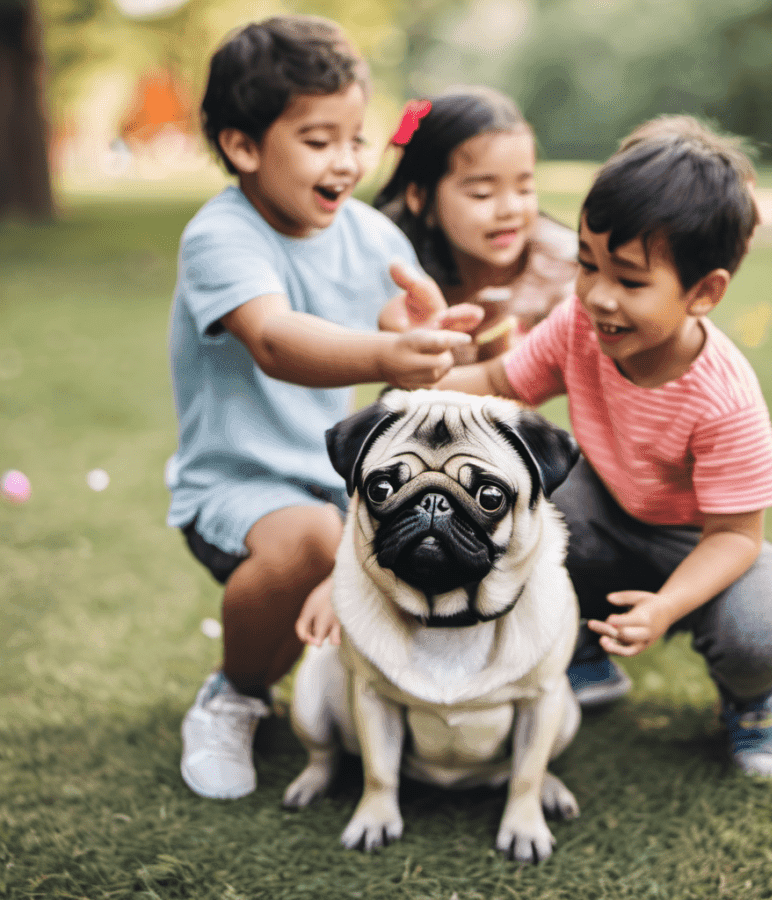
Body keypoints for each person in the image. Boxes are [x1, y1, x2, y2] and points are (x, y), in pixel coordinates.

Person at [436, 115, 772, 777]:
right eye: (587, 263)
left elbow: (734, 536)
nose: (598, 296)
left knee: (762, 631)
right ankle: (582, 648)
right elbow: (501, 382)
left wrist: (667, 606)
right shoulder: (579, 323)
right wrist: (420, 387)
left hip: (701, 545)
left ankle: (756, 702)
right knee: (519, 489)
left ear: (704, 293)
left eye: (631, 281)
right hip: (605, 512)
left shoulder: (722, 396)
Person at [166, 15, 480, 800]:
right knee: (310, 542)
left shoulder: (369, 235)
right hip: (237, 490)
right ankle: (232, 695)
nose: (345, 159)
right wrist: (383, 355)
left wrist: (427, 343)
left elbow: (406, 347)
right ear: (243, 147)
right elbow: (275, 339)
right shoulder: (220, 237)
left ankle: (401, 699)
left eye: (354, 137)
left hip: (334, 488)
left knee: (434, 530)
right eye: (317, 138)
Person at [373, 86, 577, 363]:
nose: (510, 210)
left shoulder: (565, 273)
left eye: (525, 189)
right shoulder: (396, 270)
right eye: (482, 193)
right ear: (420, 198)